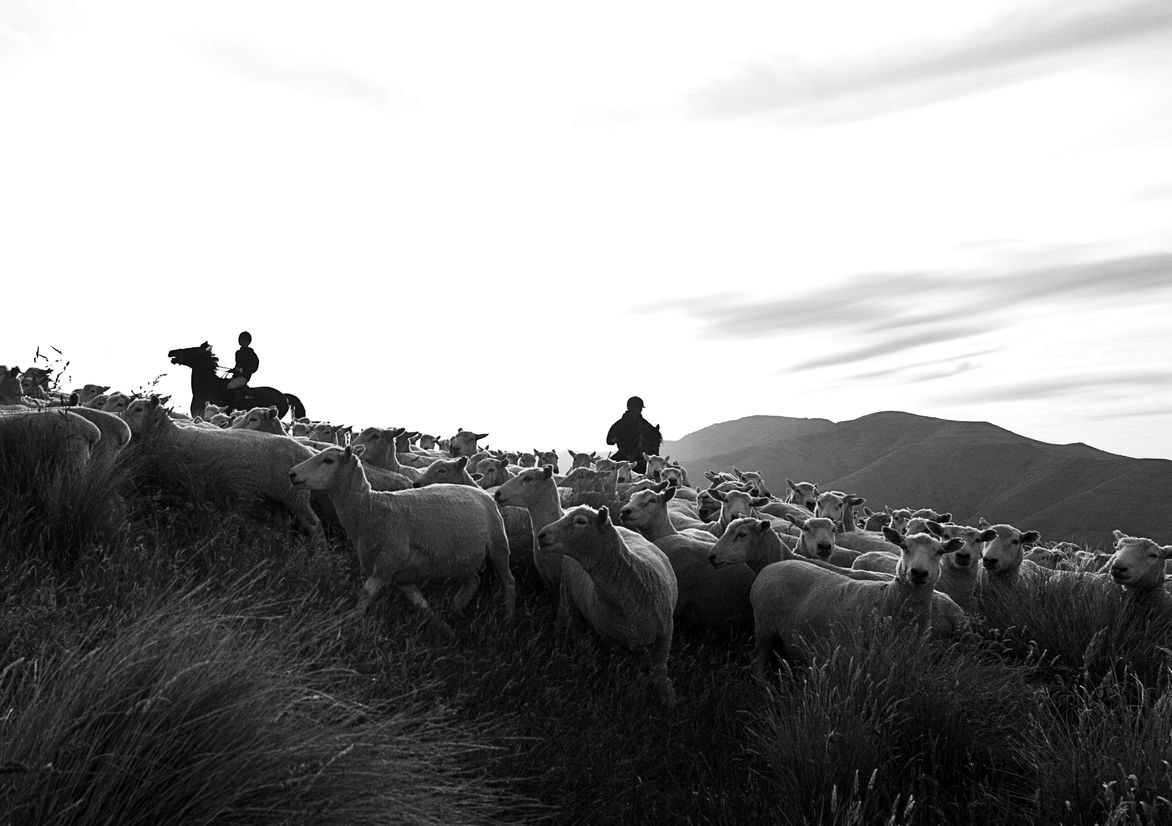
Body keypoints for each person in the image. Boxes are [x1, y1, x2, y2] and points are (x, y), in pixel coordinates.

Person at [606, 395, 662, 474]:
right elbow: (609, 440)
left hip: (643, 455)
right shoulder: (620, 424)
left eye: (640, 408)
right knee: (608, 470)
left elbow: (654, 437)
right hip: (624, 454)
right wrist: (619, 439)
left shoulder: (645, 423)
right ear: (631, 407)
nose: (640, 410)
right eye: (638, 407)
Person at [226, 330, 259, 410]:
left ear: (248, 342)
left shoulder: (251, 354)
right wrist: (233, 370)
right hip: (236, 376)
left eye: (244, 340)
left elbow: (254, 367)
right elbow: (237, 365)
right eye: (241, 340)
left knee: (229, 386)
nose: (242, 341)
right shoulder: (238, 353)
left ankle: (234, 406)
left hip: (244, 377)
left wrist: (241, 370)